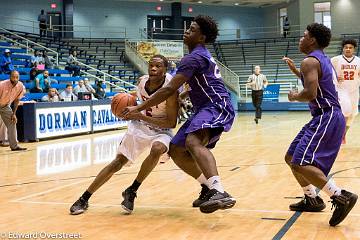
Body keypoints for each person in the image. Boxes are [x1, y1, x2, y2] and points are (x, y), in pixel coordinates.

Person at [123, 15, 236, 214]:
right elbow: (201, 81)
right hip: (204, 107)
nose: (186, 31)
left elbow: (167, 90)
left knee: (193, 142)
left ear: (201, 37)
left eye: (192, 30)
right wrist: (185, 93)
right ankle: (208, 188)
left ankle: (219, 191)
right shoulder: (200, 54)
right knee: (176, 149)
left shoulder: (193, 57)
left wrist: (138, 108)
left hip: (216, 104)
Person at [69, 55, 178, 215]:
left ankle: (132, 190)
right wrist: (124, 104)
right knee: (117, 163)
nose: (153, 68)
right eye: (151, 65)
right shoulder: (142, 81)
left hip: (161, 130)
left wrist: (139, 114)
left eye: (158, 66)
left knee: (157, 149)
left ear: (165, 69)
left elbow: (171, 123)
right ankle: (84, 198)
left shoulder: (170, 89)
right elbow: (137, 98)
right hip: (139, 127)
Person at [283, 23, 357, 227]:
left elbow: (310, 93)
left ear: (313, 40)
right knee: (291, 157)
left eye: (304, 35)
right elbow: (315, 82)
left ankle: (341, 196)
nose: (301, 38)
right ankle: (312, 198)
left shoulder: (309, 60)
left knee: (301, 163)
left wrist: (293, 96)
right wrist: (297, 72)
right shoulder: (321, 59)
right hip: (324, 116)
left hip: (328, 115)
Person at [331, 39, 360, 144]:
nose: (348, 49)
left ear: (354, 49)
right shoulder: (335, 60)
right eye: (346, 47)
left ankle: (343, 134)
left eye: (350, 47)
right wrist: (334, 77)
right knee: (345, 111)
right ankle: (337, 134)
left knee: (353, 114)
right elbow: (326, 72)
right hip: (341, 89)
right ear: (343, 49)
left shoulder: (358, 61)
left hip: (354, 90)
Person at [0, 70, 27, 151]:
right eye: (13, 77)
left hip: (5, 106)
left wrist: (14, 114)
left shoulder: (20, 86)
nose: (15, 79)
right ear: (10, 77)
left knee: (12, 121)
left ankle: (14, 146)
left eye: (17, 77)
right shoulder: (2, 85)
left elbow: (17, 100)